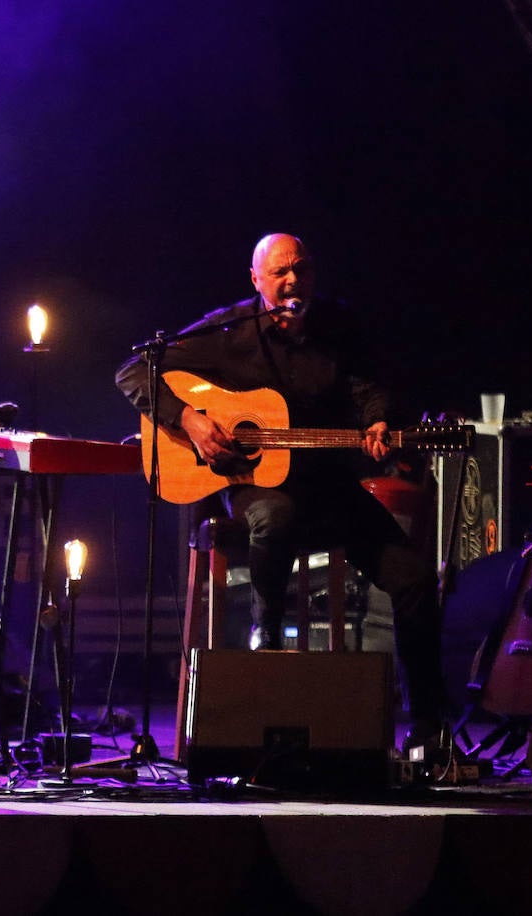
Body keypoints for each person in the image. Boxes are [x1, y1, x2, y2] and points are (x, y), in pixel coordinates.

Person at [115, 232, 448, 748]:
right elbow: (134, 372)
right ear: (257, 281)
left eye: (303, 268)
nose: (294, 280)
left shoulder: (339, 326)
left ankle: (428, 726)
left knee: (415, 579)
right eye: (280, 273)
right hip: (254, 484)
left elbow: (368, 388)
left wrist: (379, 422)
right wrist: (192, 422)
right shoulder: (230, 330)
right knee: (276, 516)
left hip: (330, 485)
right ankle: (265, 634)